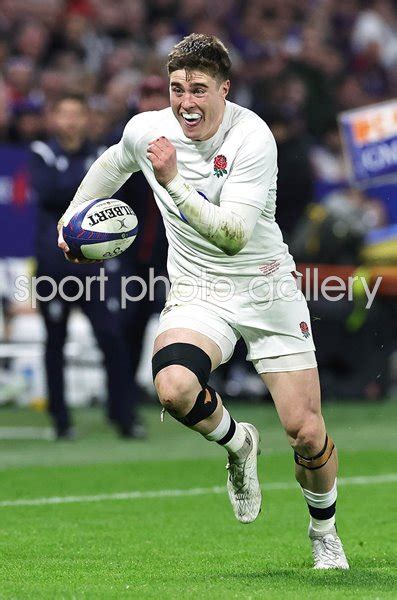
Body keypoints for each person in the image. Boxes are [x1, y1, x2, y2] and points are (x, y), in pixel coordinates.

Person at [58, 34, 349, 569]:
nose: (185, 101)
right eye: (176, 89)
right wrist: (73, 218)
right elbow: (112, 166)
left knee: (305, 431)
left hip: (265, 288)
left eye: (198, 89)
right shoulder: (147, 129)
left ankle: (323, 530)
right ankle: (239, 444)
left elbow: (233, 234)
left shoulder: (252, 138)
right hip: (198, 290)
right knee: (171, 388)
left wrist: (171, 181)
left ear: (224, 89)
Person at [30, 93, 145, 439]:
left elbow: (117, 201)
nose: (70, 121)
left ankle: (124, 416)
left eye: (76, 114)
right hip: (54, 265)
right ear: (54, 118)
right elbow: (48, 192)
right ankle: (61, 421)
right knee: (55, 341)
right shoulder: (43, 153)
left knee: (112, 337)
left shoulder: (101, 153)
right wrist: (90, 194)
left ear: (86, 118)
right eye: (63, 114)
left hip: (95, 267)